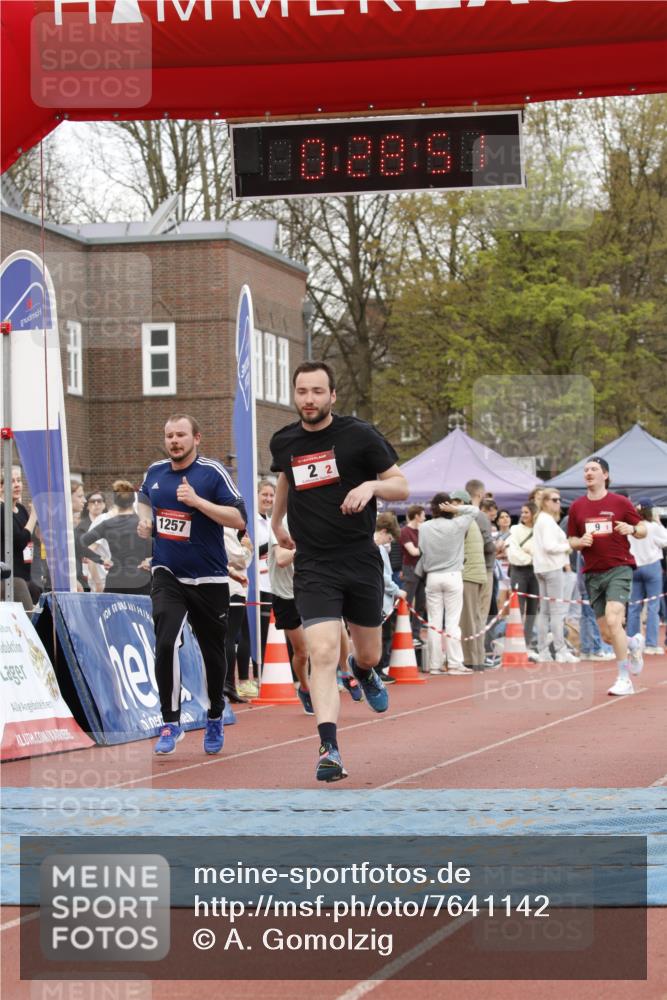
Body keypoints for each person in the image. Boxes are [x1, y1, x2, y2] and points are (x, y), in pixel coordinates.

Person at [269, 361, 409, 782]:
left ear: (332, 395)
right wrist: (276, 523)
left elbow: (401, 484)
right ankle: (328, 749)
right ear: (294, 395)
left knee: (368, 654)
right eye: (302, 391)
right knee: (322, 653)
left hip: (359, 558)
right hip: (314, 563)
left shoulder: (359, 435)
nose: (309, 399)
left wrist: (371, 486)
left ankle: (363, 671)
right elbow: (286, 478)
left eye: (317, 391)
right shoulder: (284, 440)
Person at [137, 414, 247, 755]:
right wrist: (145, 521)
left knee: (213, 653)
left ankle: (214, 714)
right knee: (166, 641)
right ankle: (170, 721)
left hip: (209, 577)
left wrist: (198, 502)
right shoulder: (155, 471)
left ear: (196, 438)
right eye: (169, 435)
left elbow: (238, 518)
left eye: (181, 435)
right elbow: (143, 500)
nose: (174, 441)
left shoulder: (212, 472)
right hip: (167, 572)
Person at [567, 456, 646, 696]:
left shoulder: (620, 502)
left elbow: (643, 529)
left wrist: (632, 528)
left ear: (605, 475)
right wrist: (580, 541)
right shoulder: (577, 507)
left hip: (619, 568)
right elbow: (571, 540)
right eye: (586, 470)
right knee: (608, 635)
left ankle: (624, 678)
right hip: (593, 573)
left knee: (614, 620)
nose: (589, 473)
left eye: (594, 469)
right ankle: (633, 643)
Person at [417, 492, 478, 675]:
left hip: (432, 576)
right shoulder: (458, 524)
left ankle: (435, 664)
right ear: (448, 506)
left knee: (434, 623)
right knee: (452, 621)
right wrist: (456, 508)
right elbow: (474, 510)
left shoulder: (424, 527)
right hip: (453, 575)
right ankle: (454, 663)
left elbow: (422, 550)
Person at [82, 480, 151, 595]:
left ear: (115, 502)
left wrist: (100, 560)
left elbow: (80, 543)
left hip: (116, 580)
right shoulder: (144, 523)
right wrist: (151, 561)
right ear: (133, 500)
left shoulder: (107, 524)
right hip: (141, 579)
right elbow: (164, 546)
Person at [532, 490, 577, 662]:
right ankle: (560, 650)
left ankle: (543, 650)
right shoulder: (546, 521)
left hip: (542, 568)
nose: (558, 502)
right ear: (545, 502)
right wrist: (568, 545)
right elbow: (550, 546)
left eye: (559, 500)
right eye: (554, 500)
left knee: (545, 612)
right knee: (556, 611)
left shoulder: (542, 519)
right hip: (551, 567)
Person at [627, 497, 667, 654]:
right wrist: (659, 523)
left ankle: (632, 643)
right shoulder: (653, 527)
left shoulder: (632, 527)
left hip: (634, 567)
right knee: (653, 606)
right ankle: (651, 644)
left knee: (633, 606)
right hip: (652, 566)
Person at [0, 465, 37, 611]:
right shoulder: (2, 510)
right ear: (1, 487)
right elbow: (20, 541)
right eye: (12, 481)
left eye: (19, 480)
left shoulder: (21, 509)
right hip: (9, 577)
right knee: (29, 618)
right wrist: (34, 516)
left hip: (24, 576)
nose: (17, 485)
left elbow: (28, 543)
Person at [373, 512, 405, 683]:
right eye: (389, 538)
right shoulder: (379, 548)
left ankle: (375, 670)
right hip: (380, 601)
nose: (389, 542)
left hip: (375, 599)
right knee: (382, 637)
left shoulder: (371, 545)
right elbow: (384, 577)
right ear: (384, 531)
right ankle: (377, 670)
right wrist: (397, 591)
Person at [507, 501, 539, 653]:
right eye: (522, 512)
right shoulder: (515, 529)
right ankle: (516, 641)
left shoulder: (540, 530)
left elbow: (542, 550)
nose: (523, 515)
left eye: (526, 512)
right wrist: (532, 557)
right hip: (518, 571)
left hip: (536, 572)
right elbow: (513, 554)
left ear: (534, 513)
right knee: (517, 608)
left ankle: (527, 642)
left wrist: (530, 553)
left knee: (533, 609)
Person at [399, 505, 425, 644]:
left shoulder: (423, 530)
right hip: (410, 568)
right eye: (423, 515)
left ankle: (415, 634)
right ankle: (402, 632)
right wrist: (427, 547)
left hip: (422, 569)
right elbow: (413, 552)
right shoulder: (405, 531)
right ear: (416, 516)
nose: (425, 517)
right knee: (406, 601)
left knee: (421, 603)